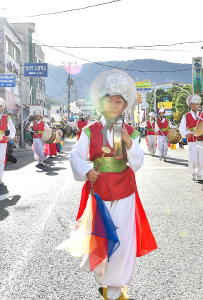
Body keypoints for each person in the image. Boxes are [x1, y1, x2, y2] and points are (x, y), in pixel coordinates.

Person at [57, 70, 157, 300]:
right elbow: (75, 157)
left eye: (118, 101)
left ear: (125, 106)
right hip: (99, 191)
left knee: (122, 239)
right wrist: (86, 170)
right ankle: (102, 273)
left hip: (125, 191)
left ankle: (115, 284)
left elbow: (138, 162)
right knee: (100, 236)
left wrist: (130, 143)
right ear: (100, 104)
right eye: (109, 100)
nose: (113, 105)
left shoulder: (129, 131)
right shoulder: (89, 131)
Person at [179, 94, 203, 180]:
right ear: (190, 105)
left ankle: (200, 174)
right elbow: (181, 127)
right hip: (191, 138)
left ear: (198, 105)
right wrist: (185, 134)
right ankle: (192, 172)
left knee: (202, 158)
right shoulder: (186, 115)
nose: (195, 105)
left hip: (201, 138)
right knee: (192, 157)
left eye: (196, 104)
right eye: (193, 104)